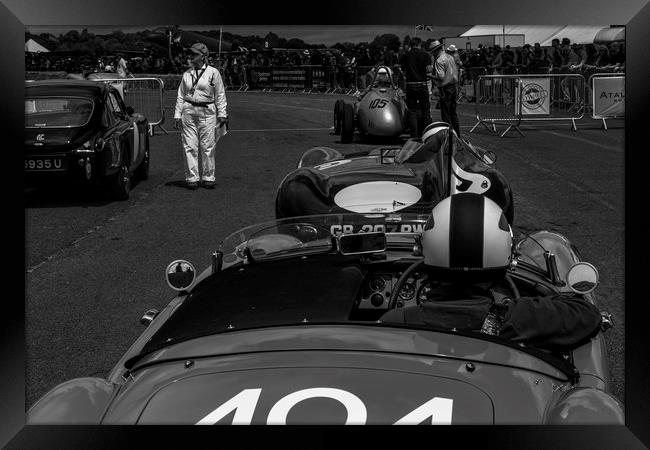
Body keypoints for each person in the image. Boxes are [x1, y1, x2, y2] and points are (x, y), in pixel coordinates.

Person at [380, 192, 604, 351]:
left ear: (425, 251)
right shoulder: (520, 320)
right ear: (504, 255)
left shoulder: (394, 322)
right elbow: (588, 314)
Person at [173, 42, 228, 190]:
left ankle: (208, 177)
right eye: (191, 54)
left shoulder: (213, 73)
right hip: (189, 110)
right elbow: (181, 95)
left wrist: (222, 113)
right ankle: (192, 178)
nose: (191, 56)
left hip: (207, 111)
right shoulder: (187, 74)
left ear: (203, 57)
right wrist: (177, 114)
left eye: (194, 54)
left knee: (208, 145)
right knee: (189, 145)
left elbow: (220, 94)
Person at [399, 37, 433, 138]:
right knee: (426, 110)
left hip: (410, 85)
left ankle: (413, 136)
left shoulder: (405, 56)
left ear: (411, 45)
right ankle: (427, 135)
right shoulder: (425, 55)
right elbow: (429, 70)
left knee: (412, 111)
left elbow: (403, 71)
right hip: (422, 84)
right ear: (419, 44)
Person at [429, 40, 461, 137]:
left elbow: (441, 77)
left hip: (445, 88)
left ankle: (450, 137)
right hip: (454, 87)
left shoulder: (439, 60)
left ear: (435, 51)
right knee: (453, 113)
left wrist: (430, 76)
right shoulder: (450, 57)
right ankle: (457, 135)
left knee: (446, 115)